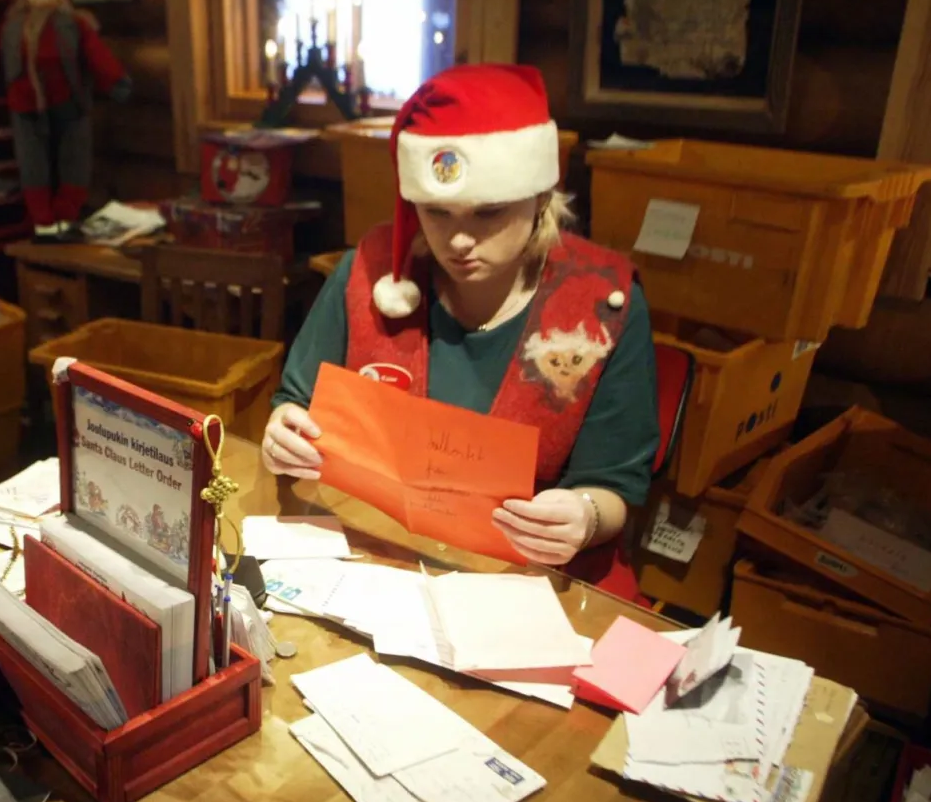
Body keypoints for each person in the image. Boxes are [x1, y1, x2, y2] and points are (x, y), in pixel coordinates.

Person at [262, 64, 658, 600]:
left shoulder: (602, 305)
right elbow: (295, 403)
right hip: (374, 568)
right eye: (437, 212)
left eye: (489, 212)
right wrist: (284, 430)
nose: (460, 240)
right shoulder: (369, 275)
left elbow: (613, 488)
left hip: (523, 587)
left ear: (541, 198)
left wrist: (583, 516)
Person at [0, 0, 132, 239]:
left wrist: (115, 82)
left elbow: (97, 56)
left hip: (70, 104)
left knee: (74, 160)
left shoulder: (74, 25)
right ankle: (43, 220)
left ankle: (66, 214)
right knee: (33, 164)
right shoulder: (12, 29)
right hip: (25, 107)